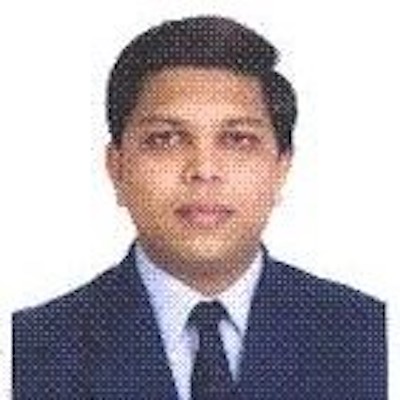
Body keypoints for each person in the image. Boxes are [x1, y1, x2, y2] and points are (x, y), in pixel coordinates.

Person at [13, 15, 386, 399]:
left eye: (238, 139)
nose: (204, 170)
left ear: (281, 168)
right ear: (117, 168)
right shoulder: (27, 351)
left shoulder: (371, 337)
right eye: (166, 139)